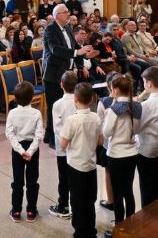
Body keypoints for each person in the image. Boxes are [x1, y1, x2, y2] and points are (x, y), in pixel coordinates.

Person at [43, 4, 94, 147]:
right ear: (57, 15)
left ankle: (48, 136)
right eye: (65, 12)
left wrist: (83, 56)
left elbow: (74, 47)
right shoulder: (50, 30)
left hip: (67, 72)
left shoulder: (67, 28)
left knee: (64, 106)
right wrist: (77, 52)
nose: (68, 14)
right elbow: (56, 50)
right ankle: (53, 140)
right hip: (53, 74)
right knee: (54, 107)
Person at [59, 83, 102, 238]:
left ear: (75, 100)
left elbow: (63, 145)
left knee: (77, 201)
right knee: (90, 200)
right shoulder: (96, 117)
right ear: (91, 99)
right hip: (90, 165)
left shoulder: (72, 120)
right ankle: (90, 231)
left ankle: (80, 232)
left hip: (76, 166)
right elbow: (101, 142)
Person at [102, 74, 141, 224]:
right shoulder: (136, 106)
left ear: (116, 90)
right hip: (132, 153)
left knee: (117, 193)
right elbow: (137, 130)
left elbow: (106, 133)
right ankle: (130, 223)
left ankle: (119, 225)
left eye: (112, 88)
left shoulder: (114, 109)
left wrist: (106, 117)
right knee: (128, 191)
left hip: (116, 155)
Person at [5, 82, 44, 223]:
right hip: (32, 149)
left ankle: (16, 211)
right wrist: (30, 151)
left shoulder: (12, 113)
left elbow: (9, 134)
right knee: (32, 181)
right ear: (32, 97)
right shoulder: (36, 113)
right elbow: (39, 135)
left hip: (17, 150)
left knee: (18, 181)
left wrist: (21, 151)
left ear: (15, 98)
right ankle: (31, 211)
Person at [135, 66, 158, 207]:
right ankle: (156, 202)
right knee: (155, 174)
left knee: (145, 180)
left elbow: (137, 128)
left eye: (144, 82)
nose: (143, 84)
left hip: (146, 146)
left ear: (149, 83)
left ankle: (148, 208)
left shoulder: (148, 105)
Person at [48, 71, 77, 219]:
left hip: (63, 147)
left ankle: (63, 205)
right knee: (76, 177)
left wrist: (63, 144)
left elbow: (57, 129)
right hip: (78, 146)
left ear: (61, 85)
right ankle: (76, 206)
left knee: (63, 177)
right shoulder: (79, 101)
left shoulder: (58, 104)